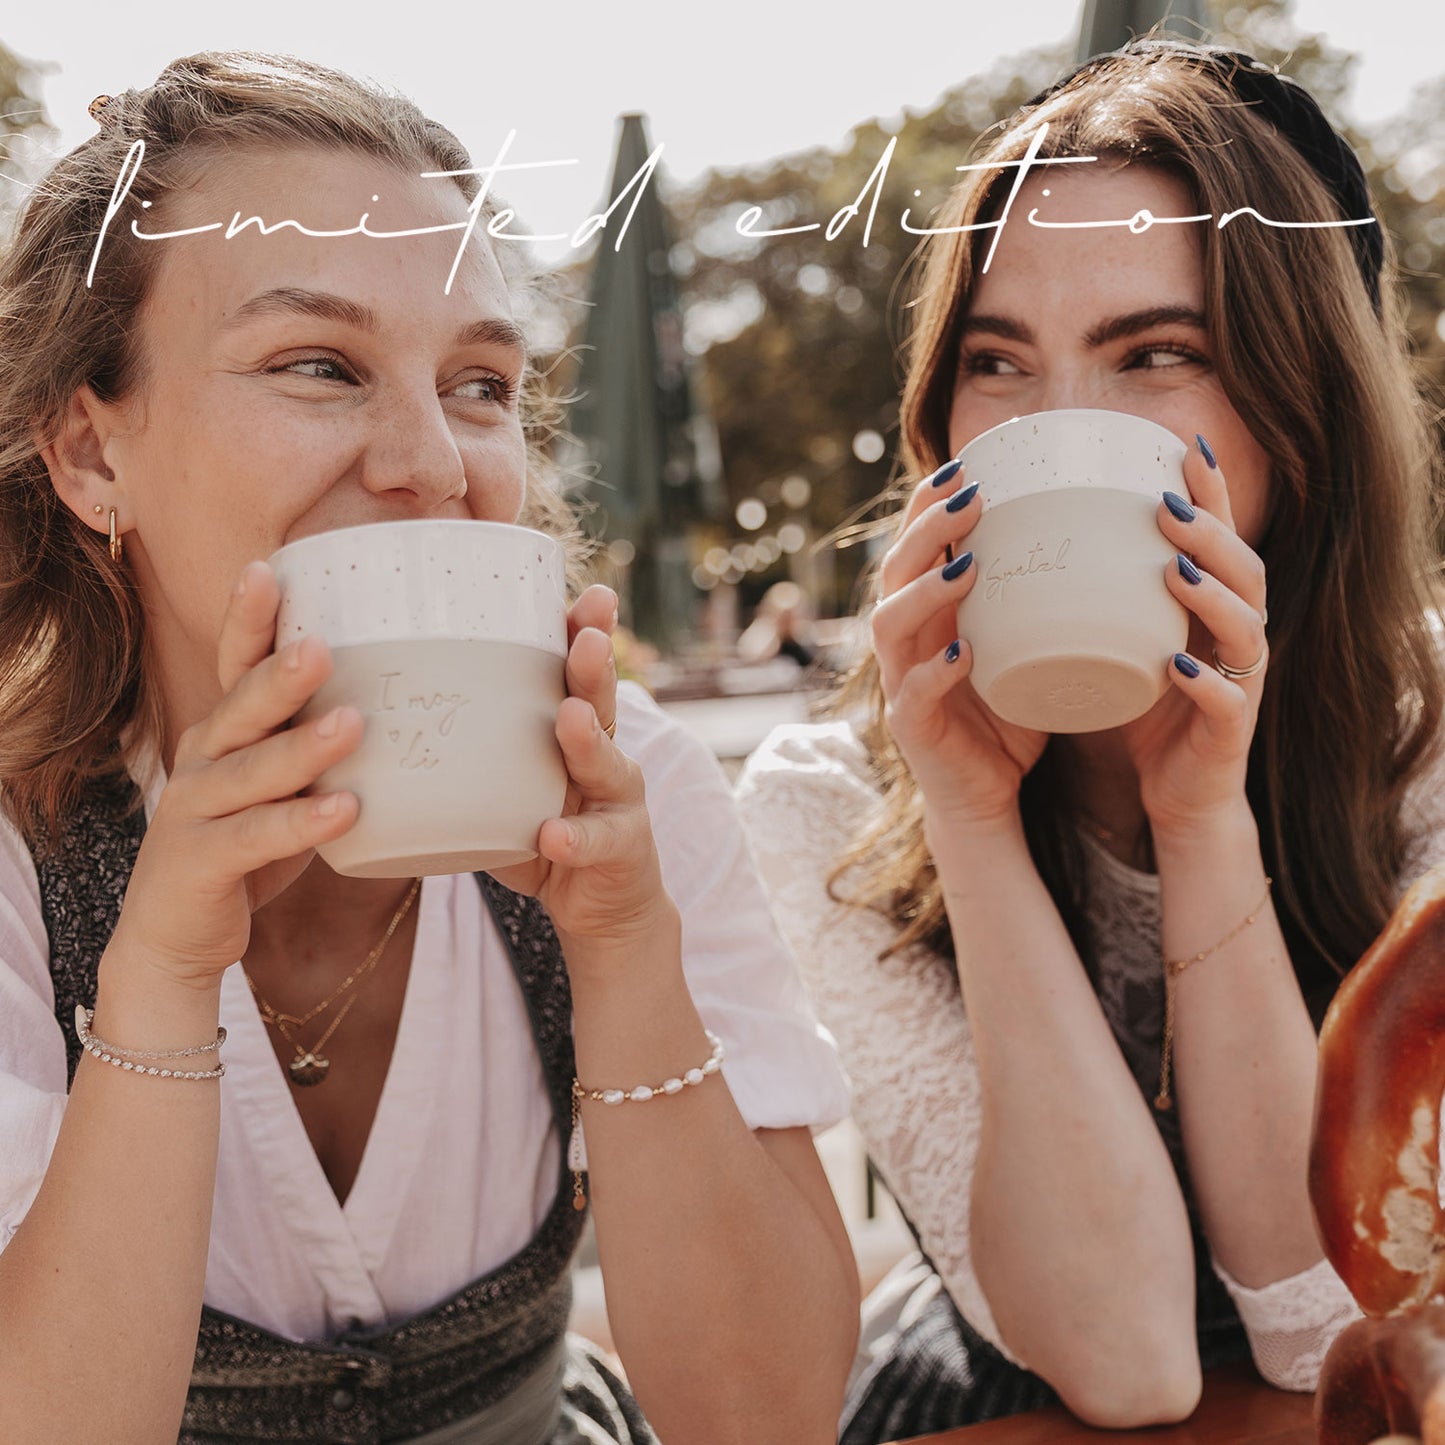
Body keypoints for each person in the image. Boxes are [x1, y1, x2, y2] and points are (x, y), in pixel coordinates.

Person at [0, 53, 860, 1445]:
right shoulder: (17, 855)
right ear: (92, 454)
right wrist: (158, 975)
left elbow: (765, 1417)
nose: (437, 466)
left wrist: (627, 952)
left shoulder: (627, 783)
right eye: (320, 364)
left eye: (478, 383)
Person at [736, 37, 1445, 1443]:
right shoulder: (827, 804)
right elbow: (1118, 1359)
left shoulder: (1423, 738)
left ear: (1294, 416)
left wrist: (1201, 823)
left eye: (1156, 352)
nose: (1059, 426)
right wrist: (970, 817)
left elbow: (1327, 1334)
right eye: (996, 362)